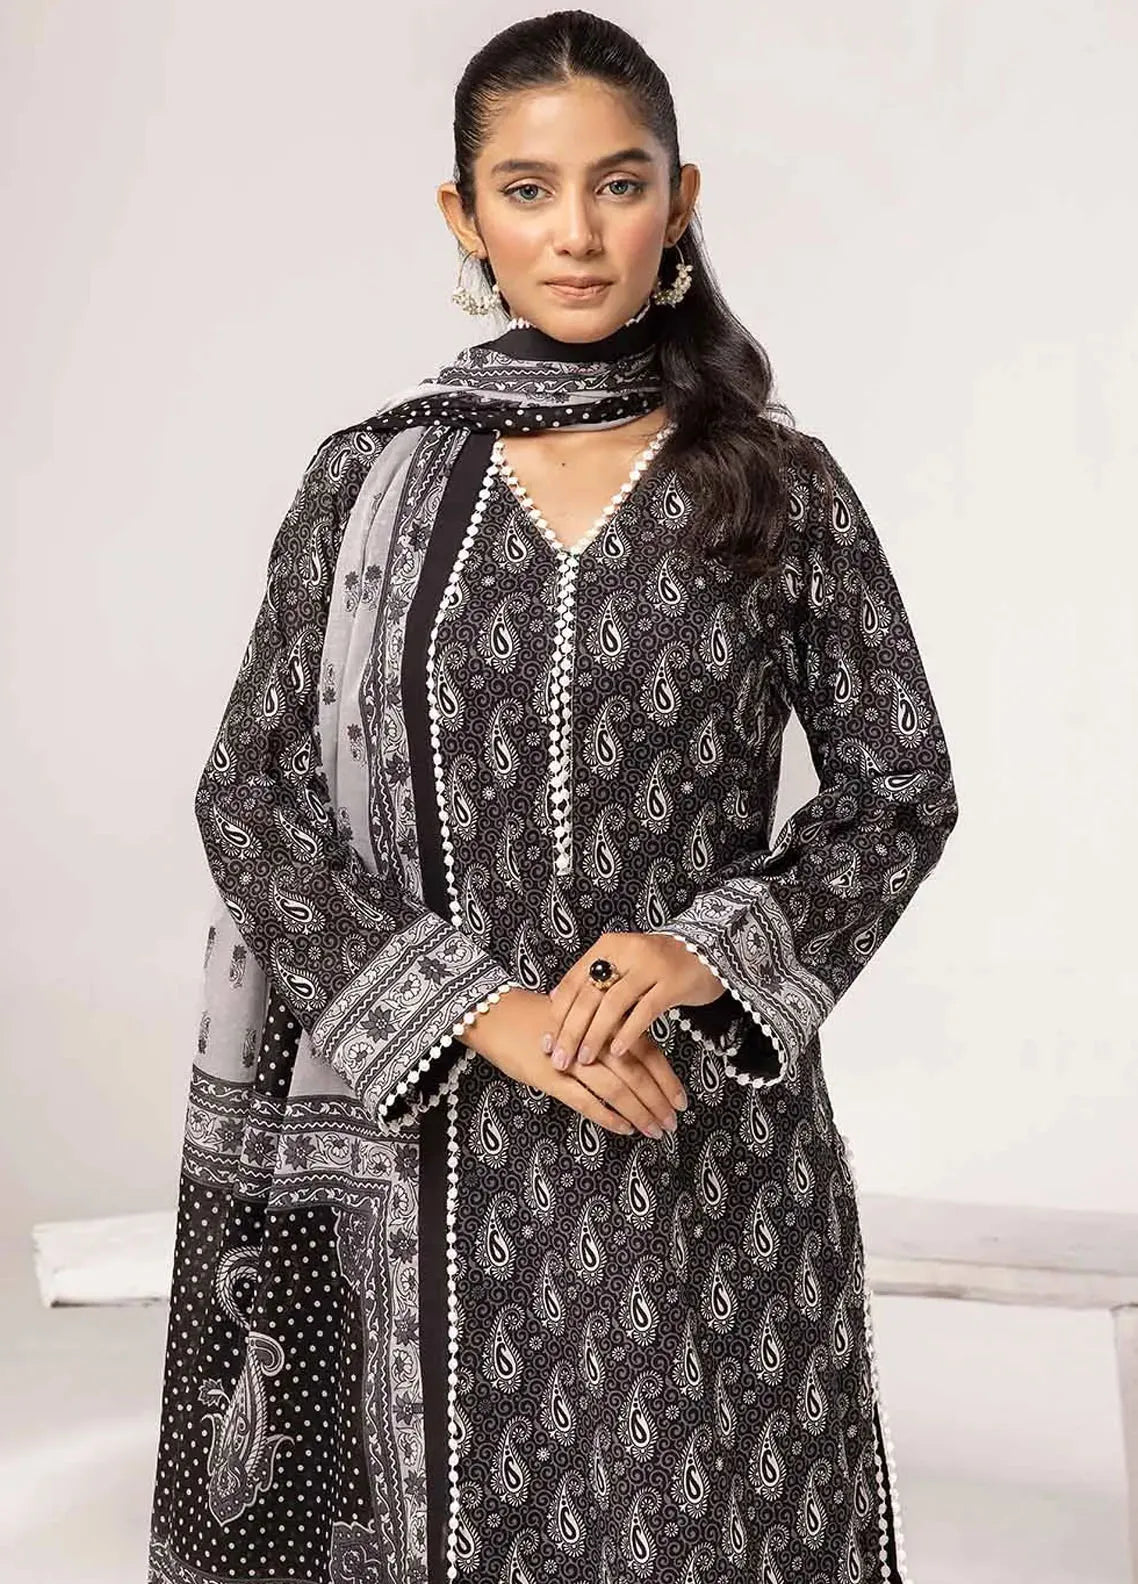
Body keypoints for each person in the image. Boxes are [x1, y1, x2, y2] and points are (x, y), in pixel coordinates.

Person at [147, 11, 958, 1583]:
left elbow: (897, 788)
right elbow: (252, 796)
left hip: (697, 1135)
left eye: (617, 183)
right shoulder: (365, 482)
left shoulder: (775, 486)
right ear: (463, 216)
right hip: (429, 1134)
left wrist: (702, 952)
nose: (575, 232)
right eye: (527, 191)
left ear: (679, 198)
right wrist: (481, 1011)